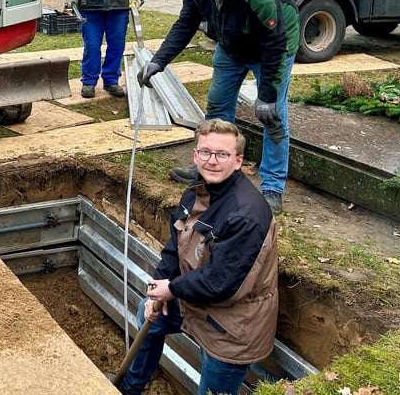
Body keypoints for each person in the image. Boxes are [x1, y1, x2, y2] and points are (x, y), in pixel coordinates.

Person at [137, 0, 298, 214]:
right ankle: (209, 169)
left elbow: (275, 43)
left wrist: (267, 96)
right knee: (217, 107)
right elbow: (186, 24)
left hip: (273, 48)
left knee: (273, 116)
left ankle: (272, 186)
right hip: (231, 46)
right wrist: (158, 61)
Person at [117, 118, 279, 395]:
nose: (212, 161)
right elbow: (175, 245)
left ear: (238, 161)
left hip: (232, 326)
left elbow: (222, 283)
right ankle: (130, 388)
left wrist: (173, 289)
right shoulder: (198, 191)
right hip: (197, 302)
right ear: (195, 155)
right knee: (148, 314)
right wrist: (159, 286)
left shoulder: (246, 214)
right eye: (205, 152)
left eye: (222, 154)